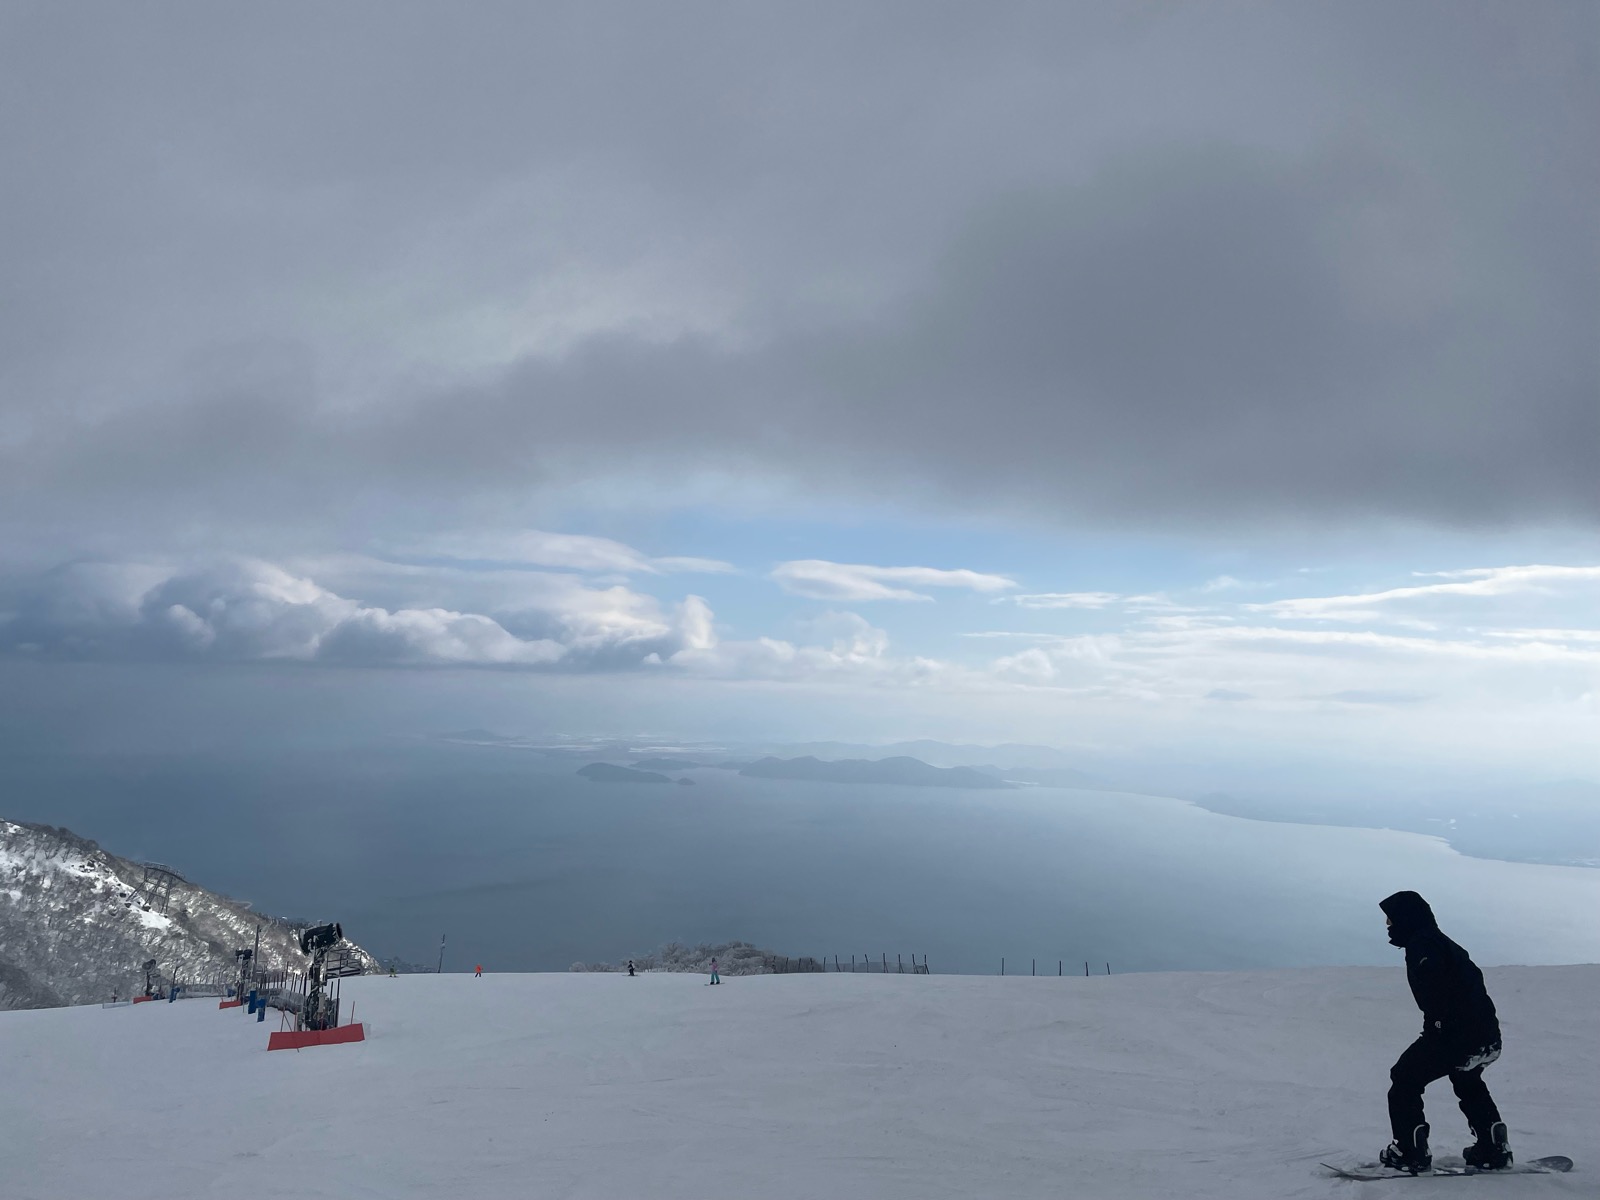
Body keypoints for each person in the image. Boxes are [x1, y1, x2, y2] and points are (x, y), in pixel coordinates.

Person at [1378, 891, 1511, 1175]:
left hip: (1456, 1035)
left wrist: (1439, 1027)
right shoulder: (1438, 942)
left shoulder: (1424, 946)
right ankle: (1493, 1147)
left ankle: (1409, 1152)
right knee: (1466, 1078)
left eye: (1391, 918)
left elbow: (1438, 991)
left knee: (1404, 1078)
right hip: (1484, 1036)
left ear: (1406, 919)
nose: (1388, 925)